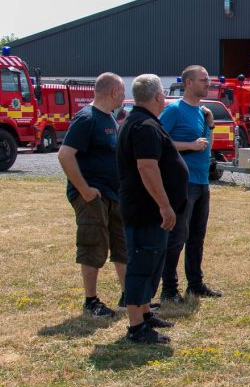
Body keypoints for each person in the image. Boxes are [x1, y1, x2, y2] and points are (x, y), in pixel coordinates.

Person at [117, 74, 188, 344]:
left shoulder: (138, 122)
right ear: (158, 96)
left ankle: (145, 314)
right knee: (142, 265)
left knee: (150, 262)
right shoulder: (144, 126)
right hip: (147, 210)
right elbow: (147, 167)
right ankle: (137, 326)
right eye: (164, 95)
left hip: (146, 209)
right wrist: (165, 206)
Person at [57, 72, 128, 318]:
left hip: (114, 194)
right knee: (93, 244)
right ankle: (91, 300)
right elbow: (65, 155)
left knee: (122, 244)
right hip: (93, 196)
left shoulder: (109, 118)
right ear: (113, 92)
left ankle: (128, 296)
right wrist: (85, 190)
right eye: (122, 91)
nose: (124, 96)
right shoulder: (86, 119)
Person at [159, 65, 222, 303]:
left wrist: (212, 124)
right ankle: (169, 290)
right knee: (177, 237)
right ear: (188, 83)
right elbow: (160, 142)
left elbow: (208, 144)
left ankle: (195, 284)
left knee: (197, 236)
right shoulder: (175, 110)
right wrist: (189, 146)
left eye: (208, 80)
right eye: (203, 80)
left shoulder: (203, 112)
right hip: (183, 183)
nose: (208, 84)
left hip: (202, 181)